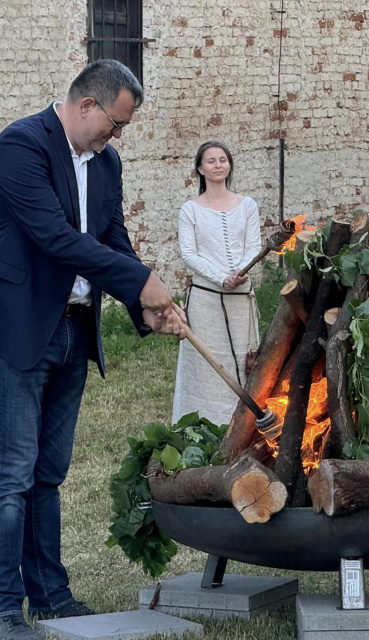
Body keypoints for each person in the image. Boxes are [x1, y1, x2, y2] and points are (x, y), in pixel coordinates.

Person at [0, 60, 185, 639]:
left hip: (76, 332)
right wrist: (144, 280)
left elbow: (113, 241)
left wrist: (145, 307)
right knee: (12, 476)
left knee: (50, 474)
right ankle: (5, 607)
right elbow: (55, 239)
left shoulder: (106, 163)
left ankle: (51, 596)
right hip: (21, 331)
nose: (118, 136)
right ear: (87, 106)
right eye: (115, 124)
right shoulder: (20, 147)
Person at [171, 142, 262, 427]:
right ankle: (203, 426)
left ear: (230, 165)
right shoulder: (190, 210)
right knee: (205, 368)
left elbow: (253, 245)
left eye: (223, 159)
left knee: (246, 363)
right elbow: (189, 254)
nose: (218, 165)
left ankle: (245, 426)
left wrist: (241, 271)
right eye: (211, 161)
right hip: (206, 301)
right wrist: (221, 277)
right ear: (200, 168)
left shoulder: (247, 205)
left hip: (240, 298)